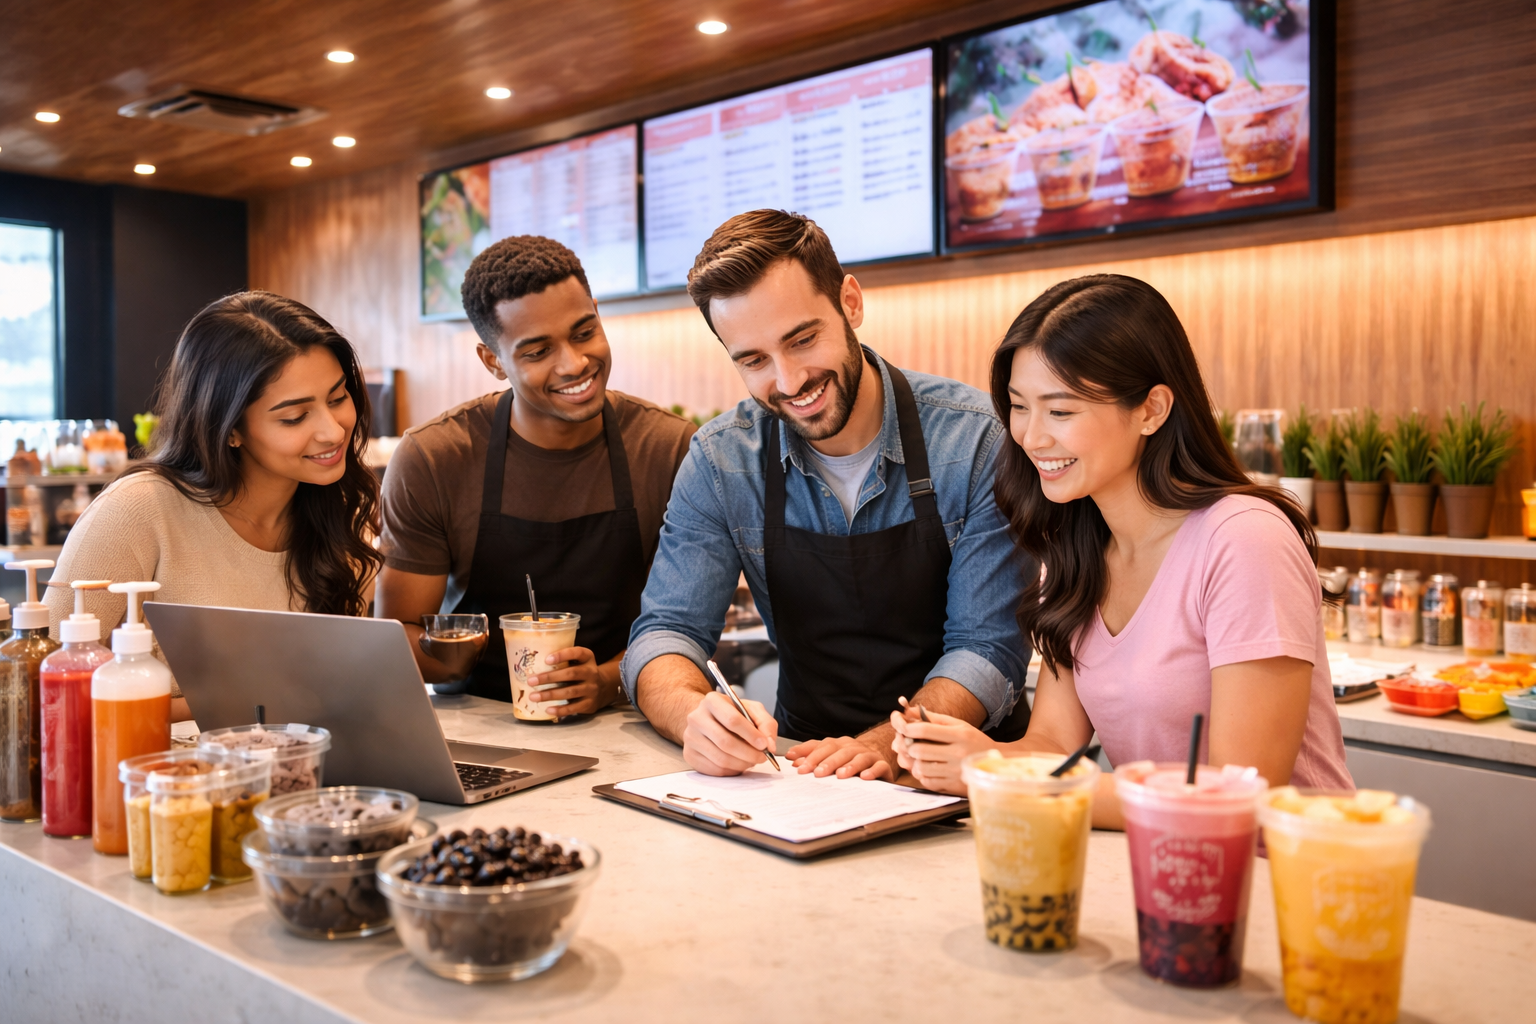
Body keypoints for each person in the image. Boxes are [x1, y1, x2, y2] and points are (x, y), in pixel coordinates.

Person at [890, 274, 1353, 825]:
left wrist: (994, 779)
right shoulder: (1076, 549)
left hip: (1282, 880)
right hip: (1157, 870)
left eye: (1060, 412)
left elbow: (1240, 795)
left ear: (1152, 409)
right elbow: (1053, 747)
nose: (1031, 437)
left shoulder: (1245, 539)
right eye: (1018, 407)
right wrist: (956, 752)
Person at [624, 210, 1031, 781]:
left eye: (803, 339)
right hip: (804, 772)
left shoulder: (977, 439)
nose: (789, 381)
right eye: (754, 360)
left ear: (851, 303)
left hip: (961, 778)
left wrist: (889, 743)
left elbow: (986, 647)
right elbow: (666, 632)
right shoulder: (721, 459)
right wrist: (693, 713)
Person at [374, 235, 695, 715]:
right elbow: (399, 632)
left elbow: (687, 624)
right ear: (493, 362)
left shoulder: (668, 448)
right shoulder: (435, 457)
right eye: (538, 351)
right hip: (478, 722)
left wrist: (606, 681)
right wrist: (467, 655)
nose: (574, 363)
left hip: (629, 714)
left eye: (584, 332)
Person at [45, 291, 382, 722]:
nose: (333, 431)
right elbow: (46, 683)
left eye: (337, 399)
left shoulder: (342, 516)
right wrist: (253, 703)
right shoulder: (139, 510)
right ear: (230, 428)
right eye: (294, 417)